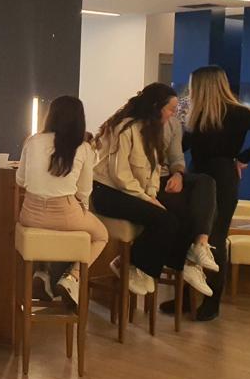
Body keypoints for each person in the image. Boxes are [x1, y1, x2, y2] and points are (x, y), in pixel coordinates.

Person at [90, 83, 214, 301]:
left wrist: (152, 194)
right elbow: (120, 175)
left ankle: (182, 264)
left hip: (129, 191)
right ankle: (134, 266)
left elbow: (153, 170)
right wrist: (146, 198)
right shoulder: (125, 128)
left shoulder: (152, 131)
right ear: (156, 107)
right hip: (107, 192)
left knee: (182, 213)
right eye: (170, 109)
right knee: (165, 220)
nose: (173, 114)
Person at [182, 65, 250, 321]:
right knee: (193, 235)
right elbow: (182, 146)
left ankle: (212, 301)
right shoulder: (199, 115)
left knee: (215, 237)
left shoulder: (234, 112)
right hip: (200, 178)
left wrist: (244, 157)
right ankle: (187, 297)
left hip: (219, 177)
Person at [16, 96, 108, 306]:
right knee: (101, 235)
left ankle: (42, 273)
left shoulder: (33, 141)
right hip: (65, 213)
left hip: (30, 214)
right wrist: (82, 208)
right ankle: (72, 278)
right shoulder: (83, 148)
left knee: (47, 234)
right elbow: (84, 191)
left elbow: (20, 180)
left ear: (51, 115)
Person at [155, 106, 220, 316]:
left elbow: (177, 157)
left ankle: (200, 244)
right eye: (170, 108)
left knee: (206, 182)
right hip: (148, 181)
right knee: (188, 209)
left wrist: (178, 175)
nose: (173, 112)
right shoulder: (136, 125)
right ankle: (189, 262)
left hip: (167, 177)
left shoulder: (173, 124)